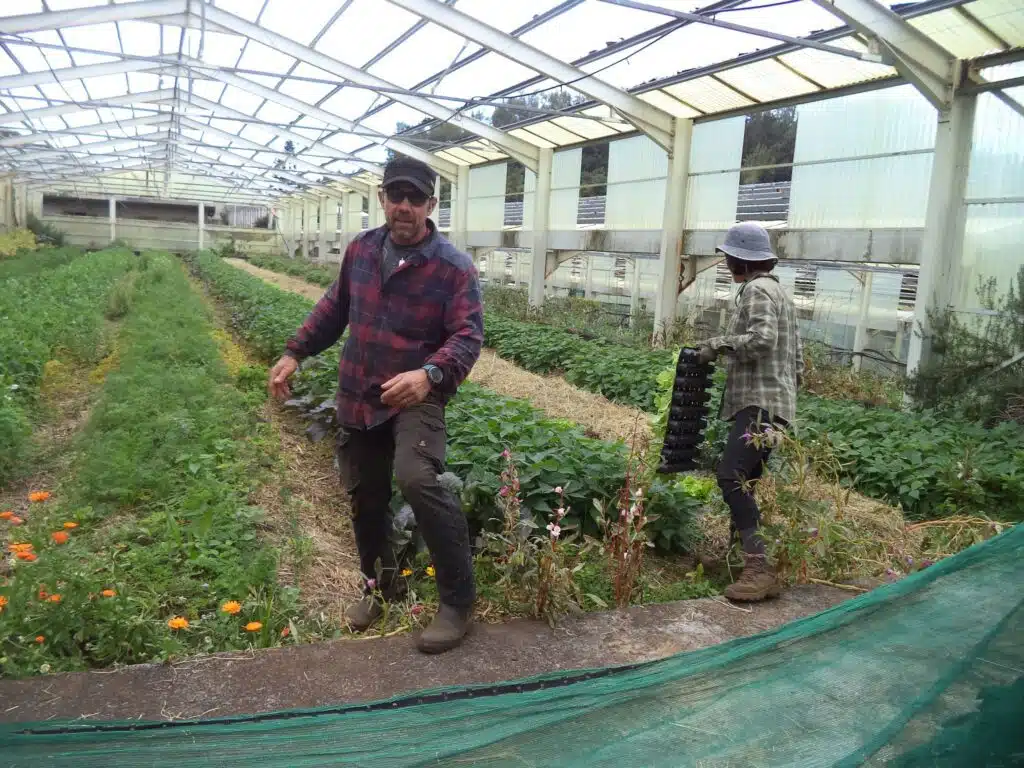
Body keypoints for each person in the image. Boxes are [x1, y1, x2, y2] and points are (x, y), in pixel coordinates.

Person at [267, 156, 483, 653]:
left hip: (415, 397)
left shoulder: (453, 268)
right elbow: (334, 307)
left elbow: (468, 337)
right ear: (383, 199)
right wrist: (294, 351)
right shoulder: (363, 249)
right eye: (395, 196)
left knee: (416, 475)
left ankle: (457, 600)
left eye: (415, 198)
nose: (404, 207)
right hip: (360, 394)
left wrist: (429, 374)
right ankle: (381, 588)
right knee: (366, 496)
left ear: (431, 205)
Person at [698, 222, 803, 602]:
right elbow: (797, 359)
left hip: (759, 403)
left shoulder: (757, 290)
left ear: (737, 260)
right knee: (746, 482)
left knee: (731, 475)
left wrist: (718, 344)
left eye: (728, 256)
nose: (726, 262)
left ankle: (758, 568)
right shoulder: (781, 294)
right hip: (777, 404)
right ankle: (738, 557)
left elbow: (762, 340)